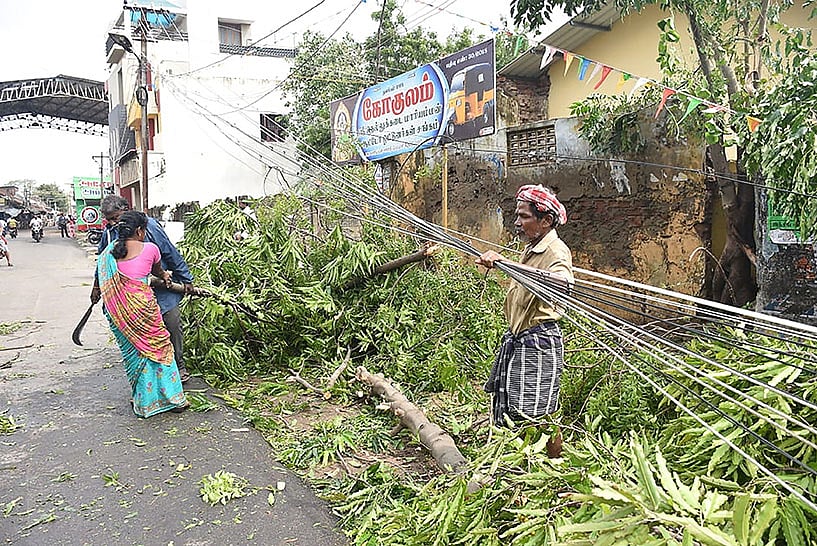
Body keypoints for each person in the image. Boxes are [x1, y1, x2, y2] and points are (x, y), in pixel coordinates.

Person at [476, 184, 573, 456]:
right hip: (520, 339)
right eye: (517, 216)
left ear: (546, 220)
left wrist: (506, 263)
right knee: (514, 407)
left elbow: (564, 284)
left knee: (538, 411)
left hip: (539, 341)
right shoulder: (532, 248)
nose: (517, 223)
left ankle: (554, 464)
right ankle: (520, 460)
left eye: (524, 217)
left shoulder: (555, 251)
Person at [90, 195, 195, 383]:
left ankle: (178, 366)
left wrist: (185, 278)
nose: (114, 223)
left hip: (160, 290)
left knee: (171, 326)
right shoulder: (108, 234)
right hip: (128, 296)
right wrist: (97, 286)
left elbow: (169, 252)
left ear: (126, 210)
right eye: (110, 219)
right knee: (138, 336)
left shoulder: (149, 227)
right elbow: (102, 263)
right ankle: (146, 375)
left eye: (116, 217)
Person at [97, 210, 188, 417]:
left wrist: (95, 293)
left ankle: (143, 401)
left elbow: (98, 278)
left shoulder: (107, 254)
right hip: (143, 310)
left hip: (120, 313)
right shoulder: (150, 248)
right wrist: (167, 276)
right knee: (162, 349)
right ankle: (175, 399)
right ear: (139, 231)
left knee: (135, 354)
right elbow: (158, 271)